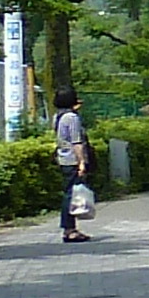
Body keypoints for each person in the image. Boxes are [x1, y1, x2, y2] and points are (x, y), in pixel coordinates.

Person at [55, 92, 93, 242]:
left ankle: (70, 228)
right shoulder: (72, 118)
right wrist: (82, 162)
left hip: (63, 157)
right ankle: (69, 229)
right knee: (71, 194)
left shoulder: (58, 116)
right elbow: (76, 142)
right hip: (72, 159)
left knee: (69, 192)